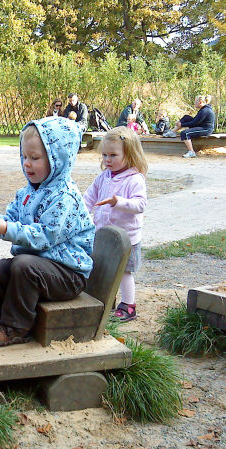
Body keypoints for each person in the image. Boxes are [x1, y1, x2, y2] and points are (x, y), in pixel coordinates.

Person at [0, 116, 95, 346]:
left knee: (23, 265)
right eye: (24, 156)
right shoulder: (27, 192)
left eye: (35, 158)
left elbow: (45, 236)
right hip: (37, 269)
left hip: (68, 274)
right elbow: (12, 219)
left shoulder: (65, 197)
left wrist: (7, 229)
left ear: (58, 159)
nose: (27, 163)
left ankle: (15, 327)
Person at [83, 126, 147, 321]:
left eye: (113, 155)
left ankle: (128, 305)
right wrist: (82, 213)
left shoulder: (135, 179)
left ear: (129, 154)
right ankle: (105, 300)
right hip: (103, 235)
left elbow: (140, 204)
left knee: (124, 272)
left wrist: (118, 202)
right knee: (102, 268)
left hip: (127, 238)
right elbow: (89, 197)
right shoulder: (103, 177)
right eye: (104, 155)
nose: (107, 160)